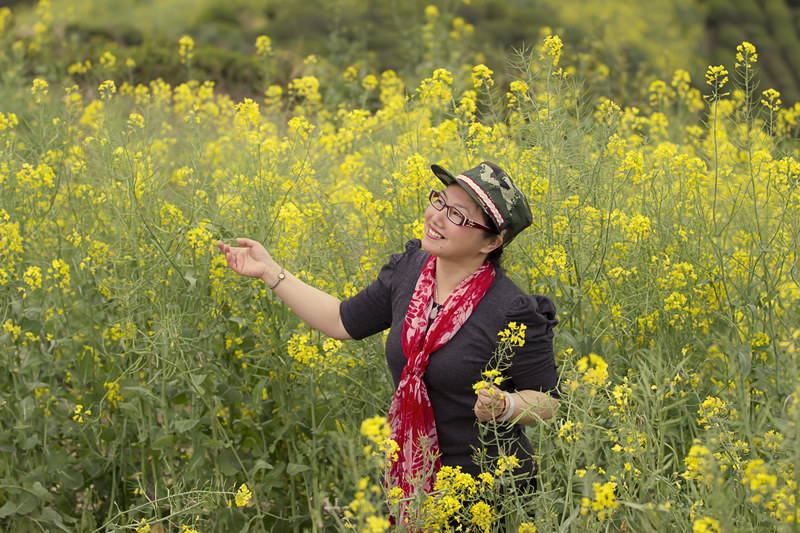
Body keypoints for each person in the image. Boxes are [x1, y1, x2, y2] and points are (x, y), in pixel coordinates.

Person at [216, 161, 560, 509]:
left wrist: (507, 406)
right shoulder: (409, 272)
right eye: (440, 201)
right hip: (409, 483)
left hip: (485, 492)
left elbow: (550, 400)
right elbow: (340, 319)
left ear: (491, 242)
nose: (436, 217)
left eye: (458, 216)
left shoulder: (511, 309)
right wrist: (270, 271)